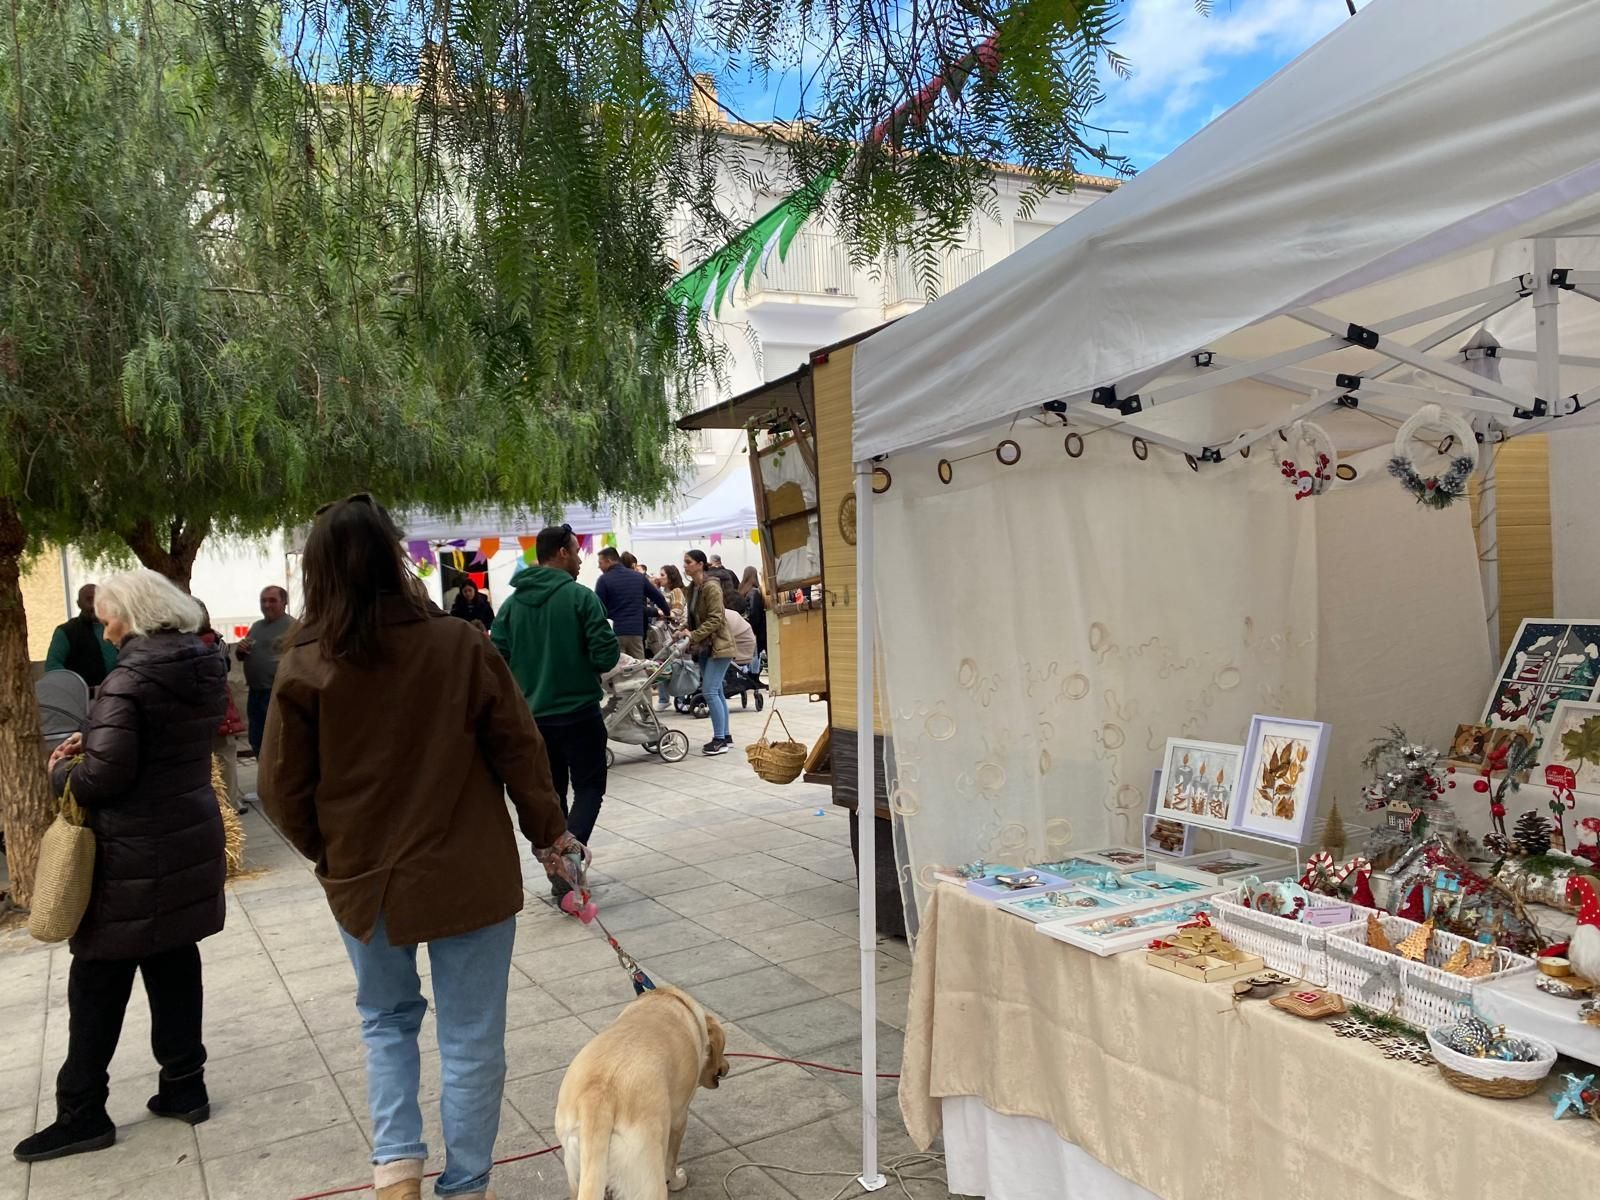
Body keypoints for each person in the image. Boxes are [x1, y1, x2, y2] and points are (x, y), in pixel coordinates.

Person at [260, 496, 578, 1200]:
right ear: (397, 557)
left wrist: (330, 850)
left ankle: (396, 1169)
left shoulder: (306, 664)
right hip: (468, 873)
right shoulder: (459, 644)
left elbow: (282, 789)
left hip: (364, 878)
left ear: (317, 573)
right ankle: (464, 1187)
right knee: (470, 1039)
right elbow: (520, 752)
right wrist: (549, 834)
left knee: (386, 1020)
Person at [15, 570, 228, 1163]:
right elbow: (156, 746)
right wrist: (102, 738)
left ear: (133, 615)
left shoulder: (129, 677)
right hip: (184, 837)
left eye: (109, 616)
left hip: (130, 854)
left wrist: (62, 770)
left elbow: (105, 778)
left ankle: (81, 1112)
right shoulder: (199, 662)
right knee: (173, 958)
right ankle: (185, 1086)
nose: (104, 628)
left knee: (96, 979)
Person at [491, 524, 620, 884]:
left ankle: (560, 867)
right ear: (562, 552)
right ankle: (568, 862)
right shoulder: (580, 598)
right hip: (580, 713)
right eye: (577, 552)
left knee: (554, 795)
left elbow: (494, 660)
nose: (580, 560)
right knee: (590, 787)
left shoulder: (512, 606)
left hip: (533, 719)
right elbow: (607, 654)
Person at [682, 550, 737, 756]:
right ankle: (726, 735)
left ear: (700, 564)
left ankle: (719, 740)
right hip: (705, 646)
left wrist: (693, 635)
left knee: (710, 691)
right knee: (717, 691)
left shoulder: (711, 587)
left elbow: (716, 619)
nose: (685, 566)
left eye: (688, 562)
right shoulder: (693, 588)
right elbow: (695, 616)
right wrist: (685, 630)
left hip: (719, 645)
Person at [196, 603, 247, 813]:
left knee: (220, 757)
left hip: (208, 710)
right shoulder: (217, 641)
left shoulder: (200, 645)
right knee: (225, 757)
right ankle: (231, 802)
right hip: (220, 708)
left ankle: (226, 804)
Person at [235, 585, 294, 760]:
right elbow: (243, 656)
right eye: (263, 600)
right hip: (256, 693)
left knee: (277, 743)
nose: (267, 605)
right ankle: (264, 779)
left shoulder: (293, 627)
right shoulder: (256, 626)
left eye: (272, 600)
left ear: (284, 602)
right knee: (257, 740)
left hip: (278, 695)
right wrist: (240, 650)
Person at [593, 545, 670, 660]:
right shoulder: (638, 577)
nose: (599, 566)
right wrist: (667, 612)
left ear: (608, 561)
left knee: (618, 671)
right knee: (638, 670)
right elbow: (658, 596)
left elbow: (598, 609)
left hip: (615, 633)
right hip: (636, 632)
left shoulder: (603, 580)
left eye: (600, 563)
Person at [44, 584, 119, 687]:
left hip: (117, 692)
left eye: (98, 600)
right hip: (84, 698)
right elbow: (53, 666)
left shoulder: (116, 627)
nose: (94, 605)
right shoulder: (66, 631)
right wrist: (76, 688)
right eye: (89, 600)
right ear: (79, 604)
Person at [738, 566, 768, 678]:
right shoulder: (755, 592)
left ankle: (745, 675)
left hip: (743, 627)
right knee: (755, 653)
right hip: (754, 629)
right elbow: (755, 613)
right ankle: (753, 676)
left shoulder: (742, 591)